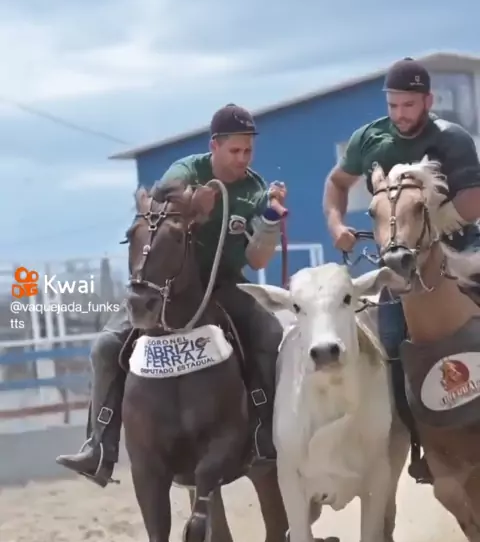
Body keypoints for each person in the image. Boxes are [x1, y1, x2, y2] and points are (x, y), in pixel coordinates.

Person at [56, 103, 288, 487]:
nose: (243, 158)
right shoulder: (185, 171)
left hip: (224, 284)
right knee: (105, 347)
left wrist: (269, 221)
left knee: (270, 335)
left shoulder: (256, 191)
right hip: (167, 286)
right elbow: (162, 204)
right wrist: (196, 206)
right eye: (235, 150)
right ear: (214, 146)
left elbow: (257, 258)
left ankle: (266, 435)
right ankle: (99, 447)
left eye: (248, 150)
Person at [323, 57, 480, 484]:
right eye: (393, 105)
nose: (400, 114)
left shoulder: (451, 138)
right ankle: (419, 443)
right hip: (400, 263)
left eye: (409, 105)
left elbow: (473, 199)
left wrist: (433, 225)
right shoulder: (369, 139)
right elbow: (337, 183)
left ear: (427, 100)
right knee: (391, 344)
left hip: (462, 246)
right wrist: (336, 225)